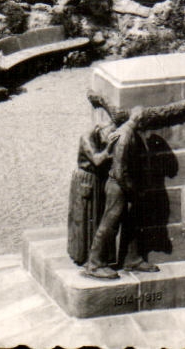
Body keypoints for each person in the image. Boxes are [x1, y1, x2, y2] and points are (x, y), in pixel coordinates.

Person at [84, 106, 158, 279]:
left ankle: (131, 259)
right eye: (146, 122)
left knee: (130, 222)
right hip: (119, 187)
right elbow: (120, 172)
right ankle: (94, 264)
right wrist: (132, 191)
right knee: (109, 225)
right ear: (141, 121)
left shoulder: (130, 133)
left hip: (123, 185)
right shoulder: (125, 137)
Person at [68, 106, 117, 266]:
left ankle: (96, 255)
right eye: (107, 135)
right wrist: (109, 148)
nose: (106, 139)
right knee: (85, 217)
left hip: (96, 179)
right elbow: (96, 160)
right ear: (100, 129)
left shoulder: (99, 135)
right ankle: (84, 255)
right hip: (87, 179)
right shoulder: (87, 138)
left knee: (95, 216)